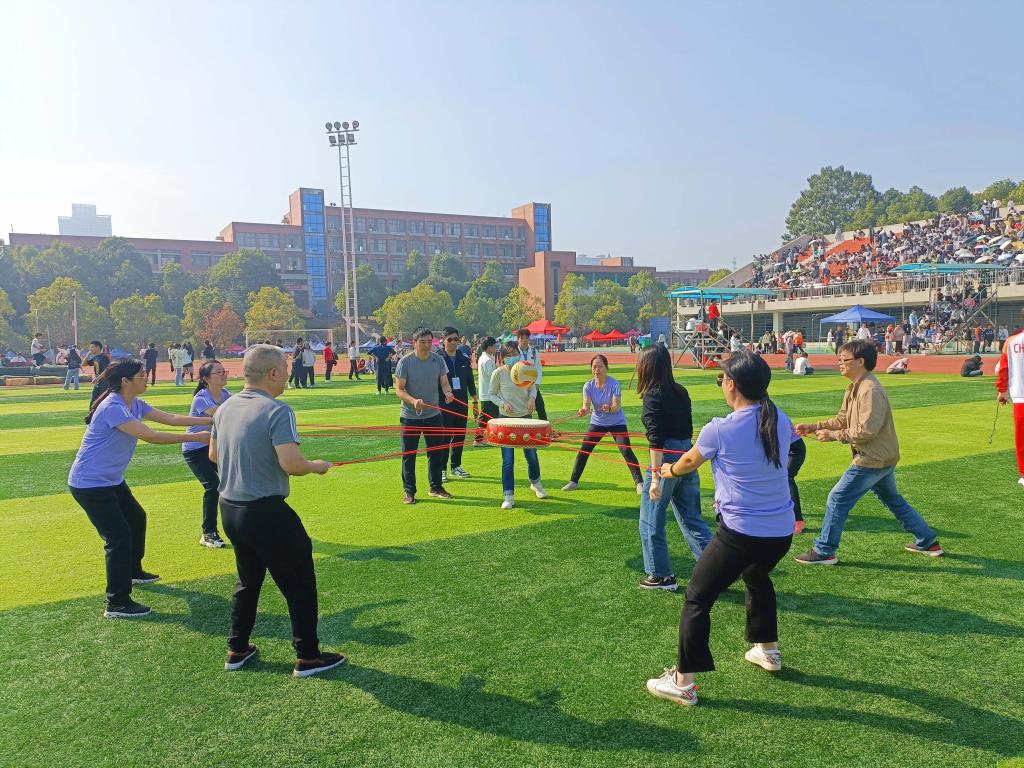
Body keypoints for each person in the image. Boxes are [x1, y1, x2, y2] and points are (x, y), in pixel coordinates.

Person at [647, 350, 796, 707]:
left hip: (742, 533)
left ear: (732, 385)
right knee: (756, 577)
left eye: (722, 378)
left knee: (697, 598)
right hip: (781, 533)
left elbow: (688, 461)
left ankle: (683, 682)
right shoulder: (779, 417)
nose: (721, 383)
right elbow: (794, 454)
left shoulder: (720, 428)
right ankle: (768, 650)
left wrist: (666, 470)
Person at [208, 344, 346, 677]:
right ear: (272, 373)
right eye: (284, 369)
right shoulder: (277, 410)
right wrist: (316, 466)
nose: (287, 374)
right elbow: (292, 464)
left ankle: (237, 648)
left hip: (230, 510)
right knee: (299, 584)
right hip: (265, 513)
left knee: (248, 581)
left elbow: (213, 455)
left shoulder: (225, 408)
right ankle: (308, 656)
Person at [68, 358, 212, 618]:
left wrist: (212, 420)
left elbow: (171, 418)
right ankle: (117, 603)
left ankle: (133, 571)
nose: (146, 377)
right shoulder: (113, 407)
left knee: (136, 519)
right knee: (118, 538)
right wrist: (197, 436)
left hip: (110, 480)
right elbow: (151, 436)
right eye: (142, 374)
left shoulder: (134, 403)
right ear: (126, 381)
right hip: (90, 484)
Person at [793, 340, 942, 565]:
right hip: (881, 457)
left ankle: (825, 550)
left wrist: (833, 435)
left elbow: (866, 431)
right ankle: (927, 541)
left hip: (872, 458)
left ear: (860, 361)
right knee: (893, 500)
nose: (839, 363)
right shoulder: (855, 386)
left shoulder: (870, 389)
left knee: (837, 498)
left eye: (844, 359)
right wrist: (814, 426)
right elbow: (842, 419)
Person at [636, 345, 711, 591]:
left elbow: (655, 440)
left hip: (665, 459)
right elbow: (686, 429)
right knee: (692, 519)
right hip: (686, 455)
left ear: (647, 367)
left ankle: (661, 576)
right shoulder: (681, 391)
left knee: (650, 521)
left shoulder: (652, 395)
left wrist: (656, 478)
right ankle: (719, 570)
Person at [562, 354, 643, 493]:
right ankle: (573, 481)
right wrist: (583, 410)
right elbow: (586, 405)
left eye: (600, 366)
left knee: (625, 450)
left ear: (606, 368)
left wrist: (610, 408)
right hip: (597, 422)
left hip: (617, 422)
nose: (597, 370)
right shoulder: (588, 386)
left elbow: (617, 406)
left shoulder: (614, 384)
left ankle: (639, 483)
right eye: (594, 367)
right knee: (584, 450)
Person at [395, 328, 455, 504]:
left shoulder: (438, 360)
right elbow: (399, 390)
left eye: (430, 342)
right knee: (409, 455)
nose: (427, 345)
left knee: (436, 452)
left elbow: (444, 383)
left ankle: (435, 487)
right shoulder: (405, 362)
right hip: (410, 416)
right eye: (423, 342)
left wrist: (448, 393)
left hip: (433, 415)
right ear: (414, 343)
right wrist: (413, 401)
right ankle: (409, 491)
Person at [490, 341, 546, 509]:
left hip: (525, 419)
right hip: (506, 421)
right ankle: (508, 495)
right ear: (502, 358)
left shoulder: (525, 369)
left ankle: (535, 482)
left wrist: (532, 398)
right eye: (508, 355)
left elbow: (532, 388)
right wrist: (503, 404)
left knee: (531, 455)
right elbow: (491, 394)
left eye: (515, 354)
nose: (512, 358)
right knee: (508, 460)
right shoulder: (498, 373)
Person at [183, 360, 231, 548]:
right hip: (195, 449)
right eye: (219, 372)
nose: (224, 374)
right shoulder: (201, 398)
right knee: (213, 486)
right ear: (206, 378)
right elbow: (220, 415)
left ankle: (241, 525)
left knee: (233, 481)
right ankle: (208, 533)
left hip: (214, 446)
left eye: (224, 371)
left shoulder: (226, 395)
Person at [438, 326, 477, 481]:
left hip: (461, 402)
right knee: (445, 437)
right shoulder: (438, 358)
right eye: (450, 339)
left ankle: (456, 466)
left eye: (456, 339)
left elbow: (469, 379)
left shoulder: (463, 358)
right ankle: (441, 469)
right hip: (444, 403)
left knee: (460, 435)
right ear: (443, 340)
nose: (454, 342)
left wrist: (474, 397)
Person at [995, 316, 1024, 487]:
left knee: (1022, 436)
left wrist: (1002, 391)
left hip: (1020, 395)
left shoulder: (1011, 341)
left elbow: (1003, 369)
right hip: (1020, 395)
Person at [473, 337, 498, 447]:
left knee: (486, 417)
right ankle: (479, 439)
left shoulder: (485, 358)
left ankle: (483, 438)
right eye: (494, 346)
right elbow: (493, 377)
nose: (496, 348)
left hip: (487, 393)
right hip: (488, 394)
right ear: (489, 347)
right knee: (487, 418)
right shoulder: (487, 360)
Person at [516, 329, 547, 420]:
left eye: (526, 338)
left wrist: (537, 383)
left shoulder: (534, 351)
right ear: (518, 339)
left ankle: (544, 426)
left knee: (540, 407)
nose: (524, 340)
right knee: (521, 409)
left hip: (532, 384)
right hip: (519, 385)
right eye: (522, 338)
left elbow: (538, 368)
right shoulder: (514, 351)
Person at [86, 340, 111, 405]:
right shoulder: (95, 358)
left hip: (105, 383)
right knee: (93, 401)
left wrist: (97, 379)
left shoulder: (104, 357)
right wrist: (87, 355)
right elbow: (83, 364)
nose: (90, 349)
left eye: (92, 347)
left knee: (105, 401)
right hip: (98, 383)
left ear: (98, 347)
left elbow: (106, 370)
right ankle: (92, 411)